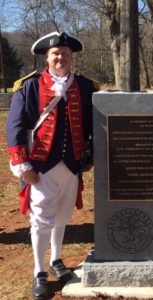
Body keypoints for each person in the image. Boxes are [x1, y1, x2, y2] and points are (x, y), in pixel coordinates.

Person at [6, 31, 98, 300]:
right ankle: (39, 271)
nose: (61, 57)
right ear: (46, 57)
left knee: (62, 216)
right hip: (40, 166)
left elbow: (93, 123)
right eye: (56, 53)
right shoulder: (30, 86)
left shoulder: (84, 86)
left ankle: (57, 260)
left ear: (71, 57)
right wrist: (22, 165)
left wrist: (91, 154)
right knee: (41, 219)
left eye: (66, 54)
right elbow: (15, 127)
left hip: (71, 164)